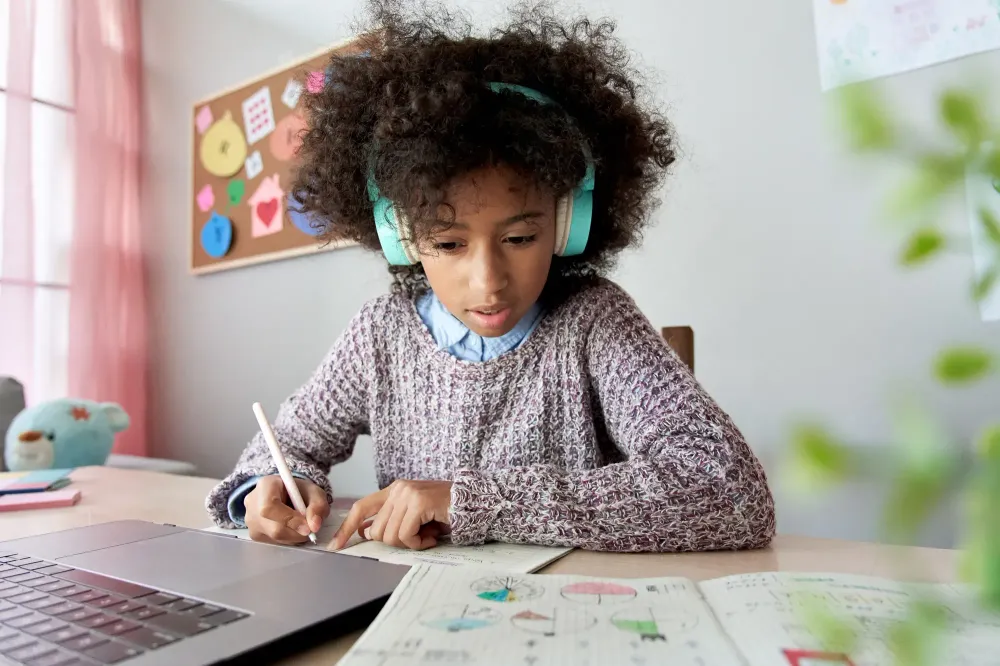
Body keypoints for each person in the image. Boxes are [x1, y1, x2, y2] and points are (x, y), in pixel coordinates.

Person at [205, 0, 776, 553]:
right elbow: (287, 446)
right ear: (402, 238)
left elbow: (732, 491)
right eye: (449, 244)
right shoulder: (379, 335)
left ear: (567, 223)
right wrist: (269, 487)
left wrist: (477, 501)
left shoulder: (595, 322)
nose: (488, 282)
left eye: (520, 238)